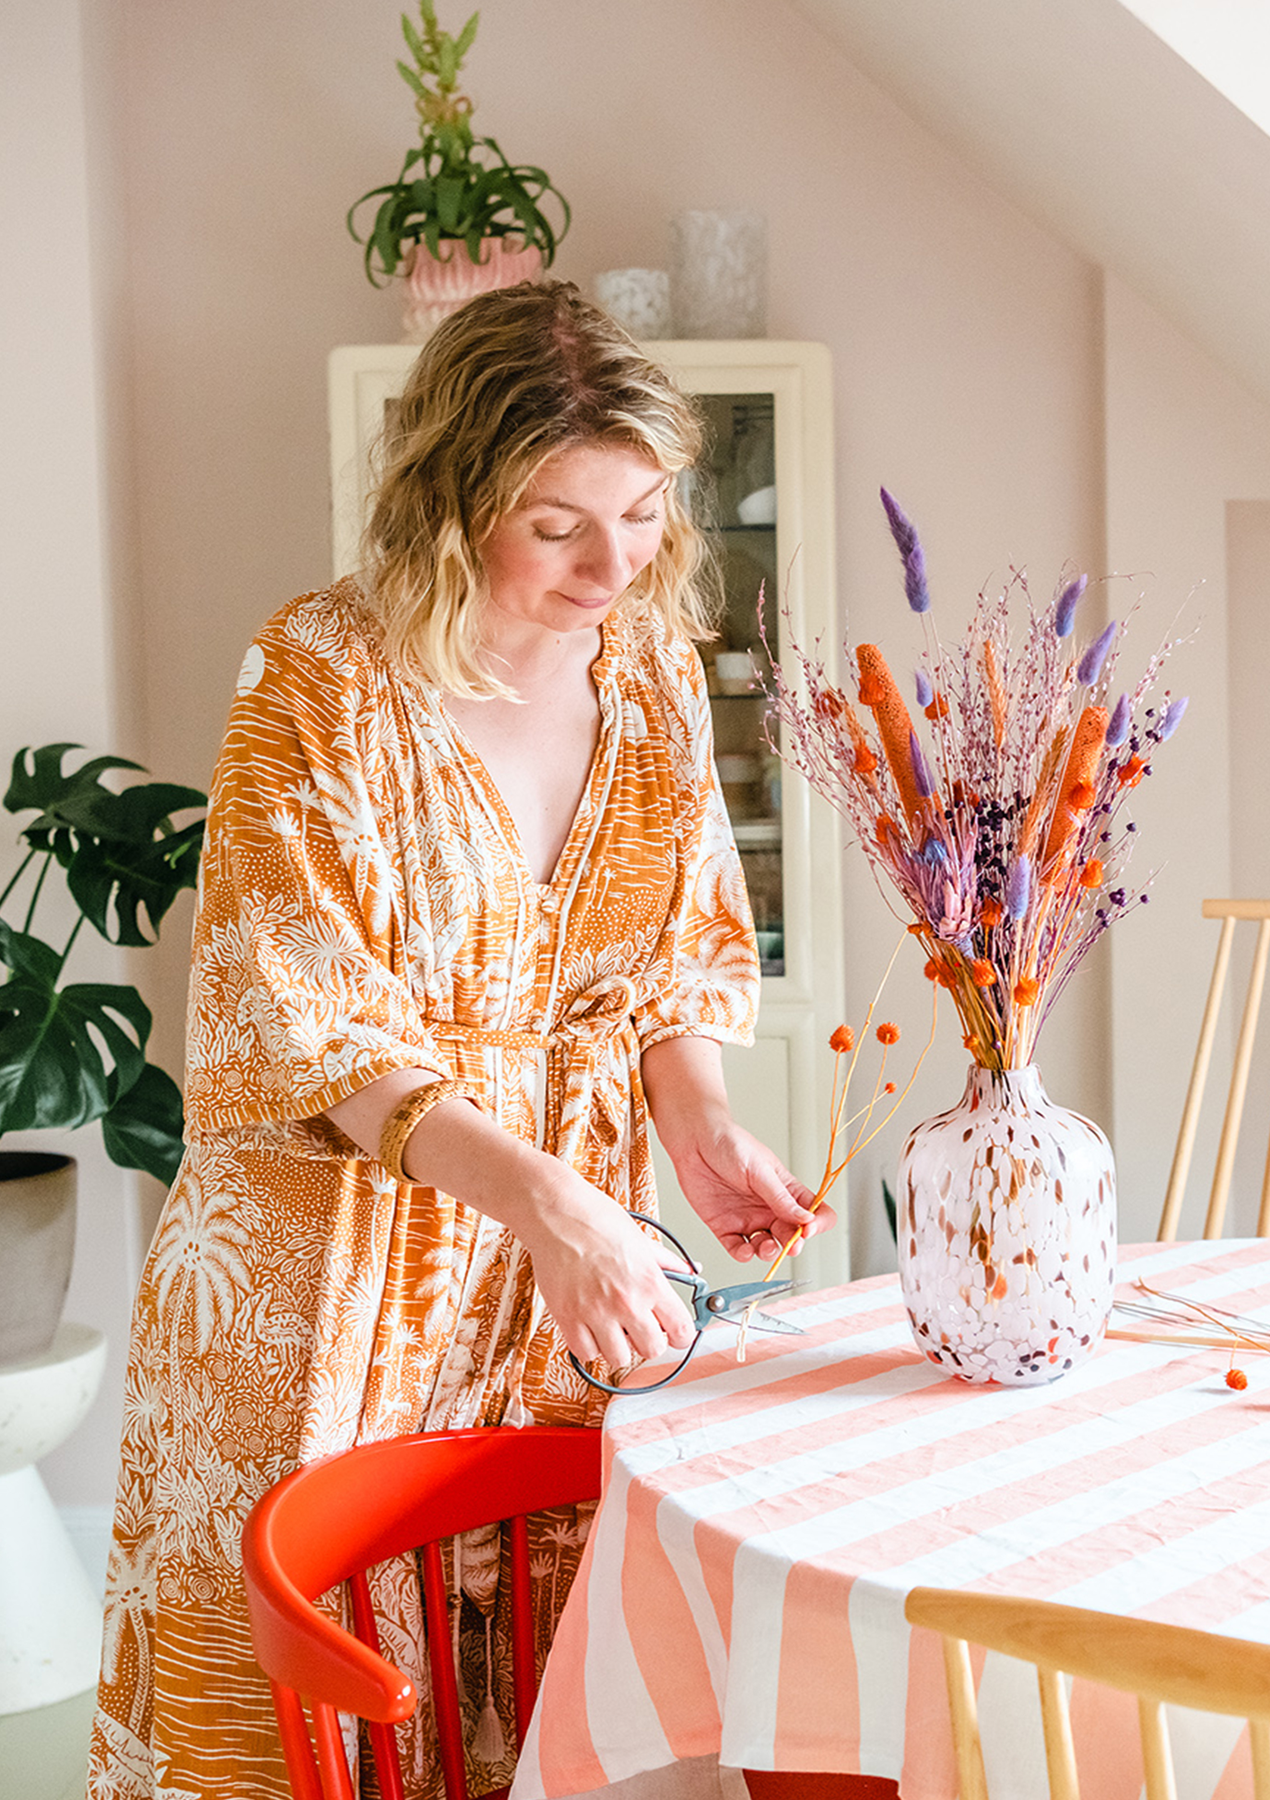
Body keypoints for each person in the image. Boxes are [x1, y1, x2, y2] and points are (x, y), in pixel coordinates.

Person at [88, 280, 830, 1800]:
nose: (614, 564)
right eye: (560, 524)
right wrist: (553, 1201)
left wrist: (692, 1120)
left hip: (542, 1271)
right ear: (450, 498)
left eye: (640, 513)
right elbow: (305, 1020)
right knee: (308, 1710)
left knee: (525, 1687)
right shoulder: (323, 675)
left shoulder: (652, 678)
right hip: (329, 1264)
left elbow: (661, 960)